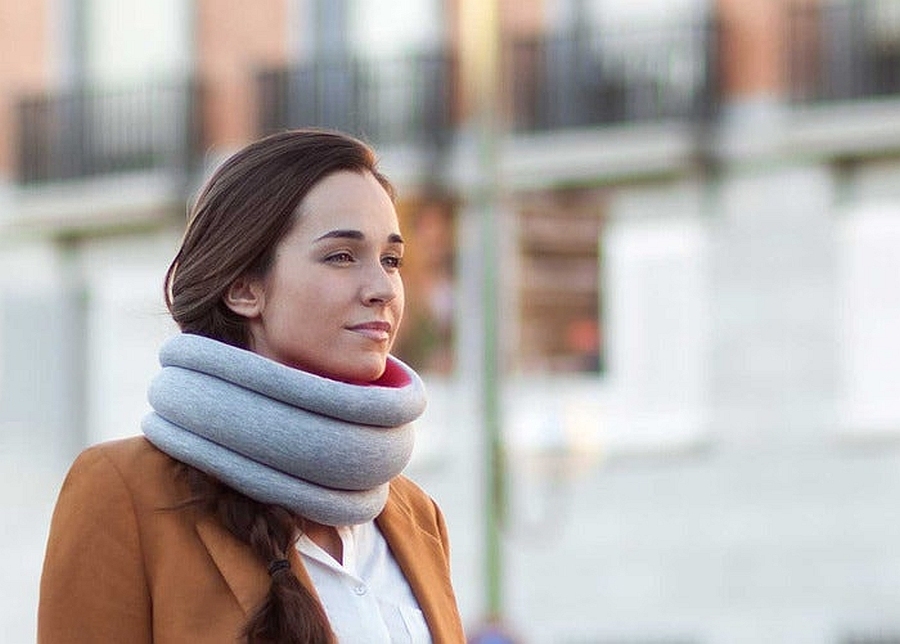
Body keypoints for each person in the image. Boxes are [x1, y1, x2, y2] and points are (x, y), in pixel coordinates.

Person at [37, 129, 466, 643]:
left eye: (391, 260)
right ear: (244, 288)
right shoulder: (124, 493)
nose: (381, 289)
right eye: (341, 257)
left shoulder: (415, 515)